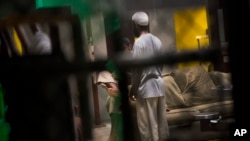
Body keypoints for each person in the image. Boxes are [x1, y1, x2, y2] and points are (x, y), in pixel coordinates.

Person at [129, 11, 169, 141]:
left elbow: (136, 70)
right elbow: (161, 65)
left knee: (147, 126)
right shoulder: (157, 40)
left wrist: (132, 90)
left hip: (146, 89)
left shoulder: (139, 43)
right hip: (159, 86)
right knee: (161, 124)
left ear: (136, 25)